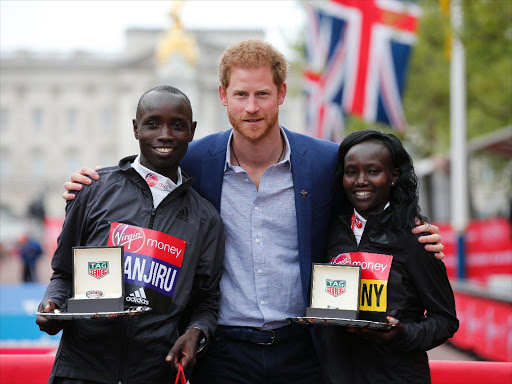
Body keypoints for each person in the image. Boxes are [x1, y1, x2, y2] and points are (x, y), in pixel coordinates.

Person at [62, 40, 445, 384]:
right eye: (241, 94)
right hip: (223, 349)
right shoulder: (194, 159)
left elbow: (373, 200)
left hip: (305, 348)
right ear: (222, 96)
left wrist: (415, 226)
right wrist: (85, 185)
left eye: (262, 93)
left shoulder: (325, 162)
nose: (251, 107)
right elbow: (140, 176)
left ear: (280, 93)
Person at [36, 85, 225, 384]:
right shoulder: (92, 190)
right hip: (82, 369)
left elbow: (207, 302)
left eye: (177, 125)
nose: (164, 134)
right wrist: (52, 306)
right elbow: (63, 274)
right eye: (152, 123)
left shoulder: (206, 218)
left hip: (155, 371)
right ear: (136, 129)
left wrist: (195, 333)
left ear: (192, 131)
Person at [321, 130, 458, 384]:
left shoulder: (416, 238)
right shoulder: (328, 232)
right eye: (351, 172)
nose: (361, 181)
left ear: (394, 176)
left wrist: (401, 334)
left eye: (373, 171)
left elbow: (446, 320)